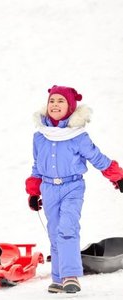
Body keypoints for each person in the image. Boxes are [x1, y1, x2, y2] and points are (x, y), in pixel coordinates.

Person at [25, 85, 123, 294]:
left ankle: (71, 276)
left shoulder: (78, 136)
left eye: (61, 101)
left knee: (67, 228)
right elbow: (36, 166)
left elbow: (97, 158)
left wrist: (118, 177)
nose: (55, 105)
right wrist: (34, 192)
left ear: (70, 107)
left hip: (72, 186)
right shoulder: (40, 136)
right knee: (54, 232)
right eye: (52, 101)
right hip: (49, 188)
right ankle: (59, 278)